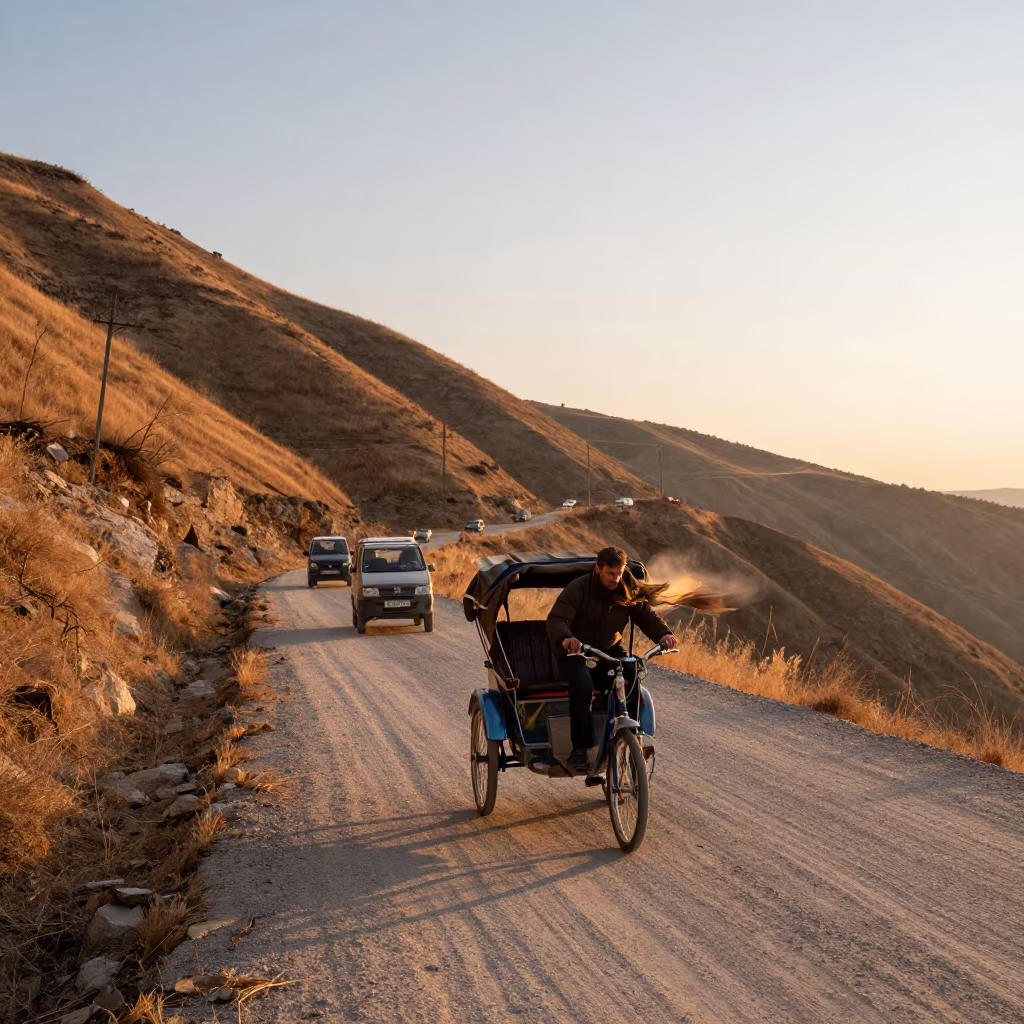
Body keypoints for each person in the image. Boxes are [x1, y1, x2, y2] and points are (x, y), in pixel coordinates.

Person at [547, 546, 678, 771]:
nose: (615, 579)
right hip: (578, 653)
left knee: (632, 672)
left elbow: (645, 615)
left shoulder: (626, 588)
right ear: (598, 569)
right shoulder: (578, 589)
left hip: (609, 652)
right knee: (583, 687)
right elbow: (558, 619)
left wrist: (664, 634)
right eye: (610, 573)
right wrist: (567, 639)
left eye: (619, 573)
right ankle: (579, 749)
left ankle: (633, 738)